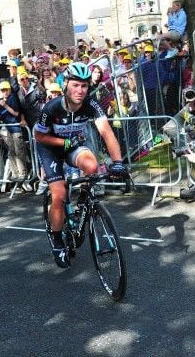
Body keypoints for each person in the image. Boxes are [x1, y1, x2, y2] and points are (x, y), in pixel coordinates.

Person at [34, 62, 128, 268]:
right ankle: (58, 241)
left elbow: (107, 132)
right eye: (75, 85)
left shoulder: (91, 105)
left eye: (84, 86)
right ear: (66, 85)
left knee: (92, 167)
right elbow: (39, 135)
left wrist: (118, 162)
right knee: (59, 195)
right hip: (50, 147)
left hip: (72, 145)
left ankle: (83, 205)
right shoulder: (52, 107)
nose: (80, 91)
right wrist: (63, 142)